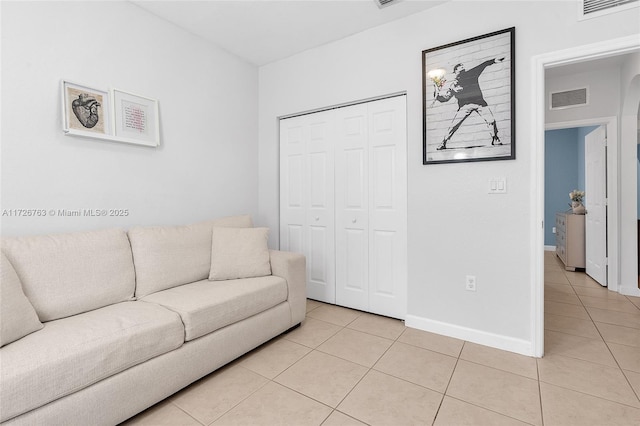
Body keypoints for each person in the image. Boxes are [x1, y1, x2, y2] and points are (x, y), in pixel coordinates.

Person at [433, 57, 504, 150]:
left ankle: (495, 138)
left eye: (462, 66)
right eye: (459, 67)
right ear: (455, 72)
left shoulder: (471, 74)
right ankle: (443, 142)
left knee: (491, 120)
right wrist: (437, 96)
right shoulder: (453, 85)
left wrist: (493, 61)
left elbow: (483, 65)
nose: (462, 67)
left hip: (480, 104)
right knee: (454, 125)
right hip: (464, 106)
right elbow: (445, 98)